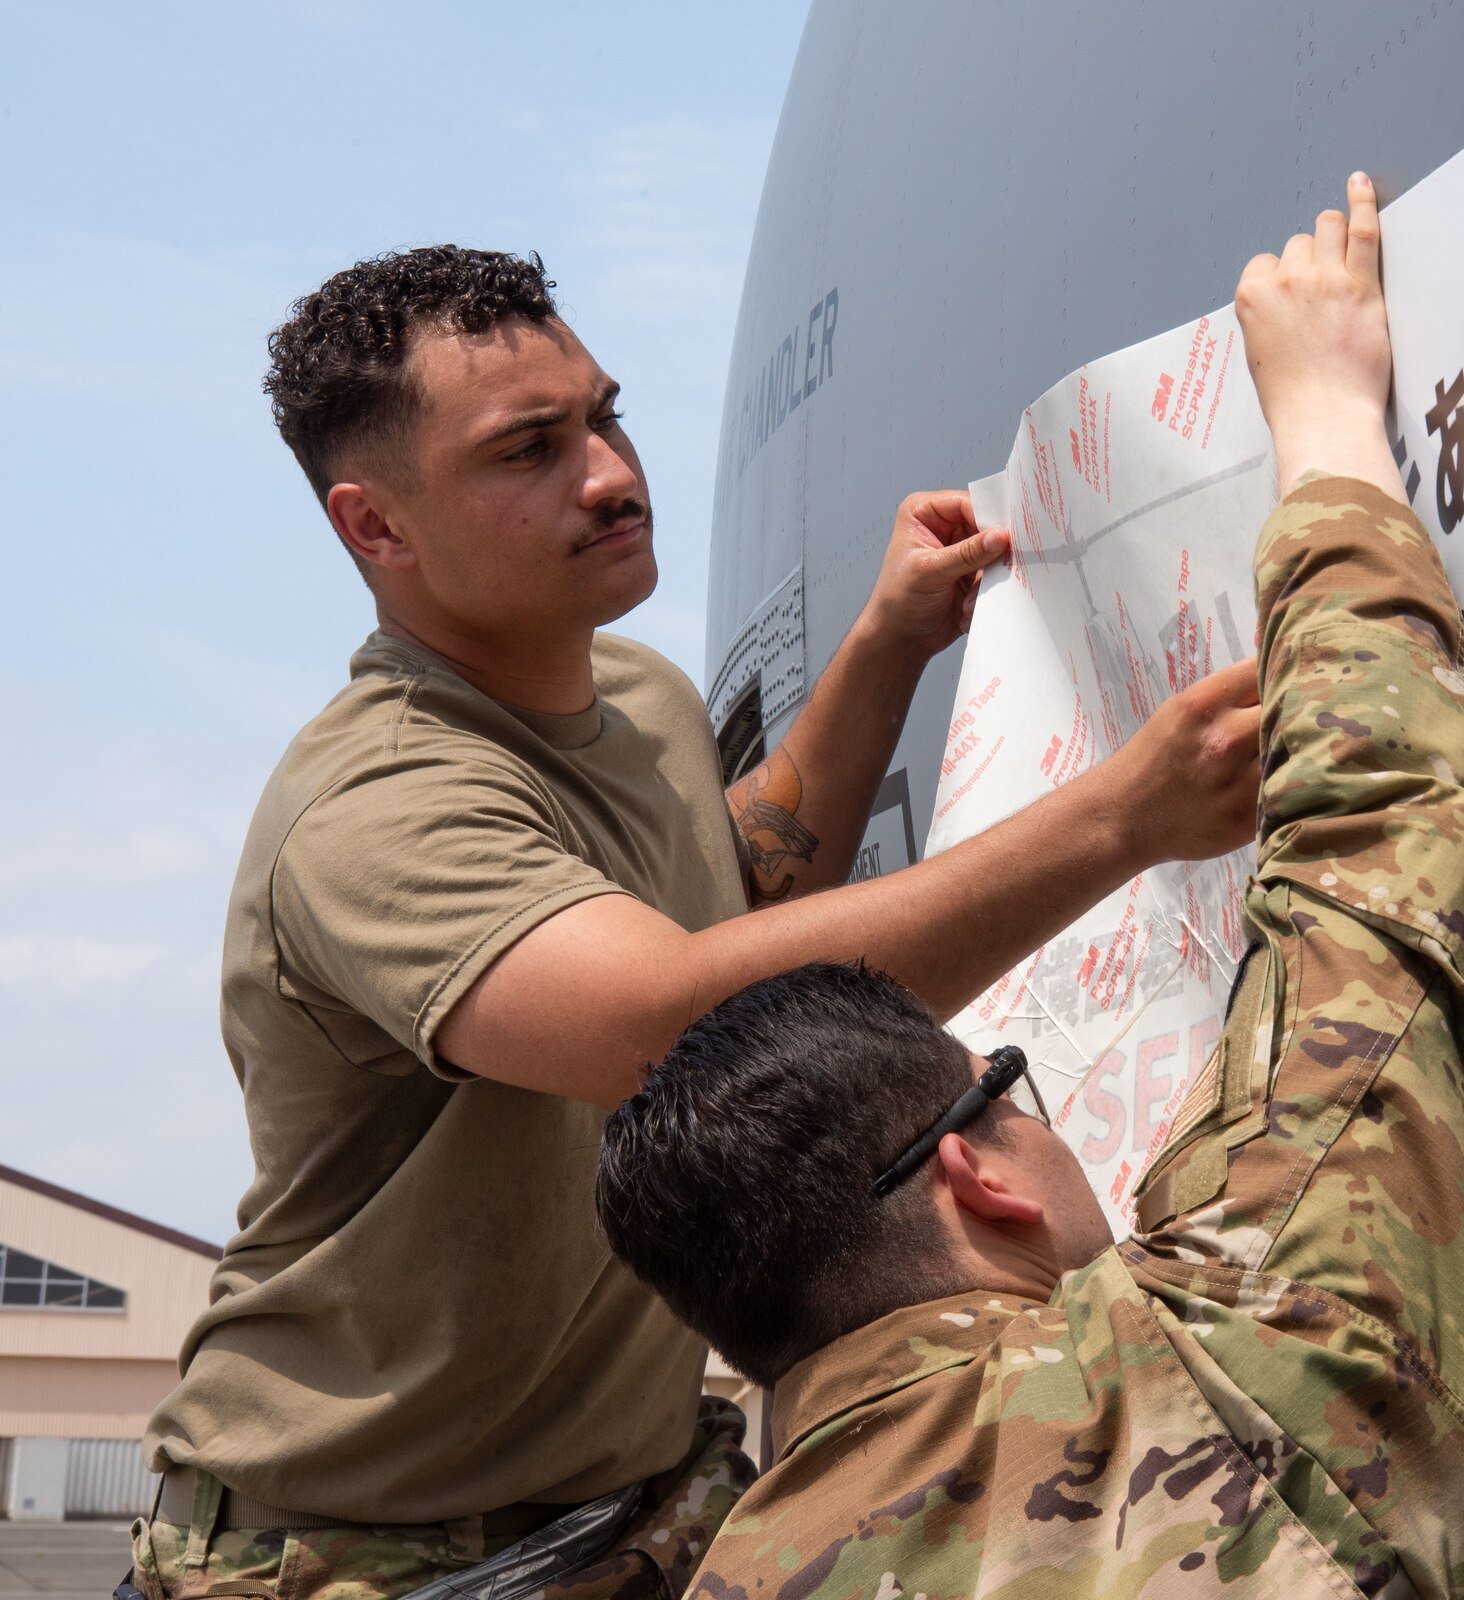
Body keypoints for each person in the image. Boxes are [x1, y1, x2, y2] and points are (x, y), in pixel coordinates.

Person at [135, 247, 1261, 1600]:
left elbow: (743, 891)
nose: (609, 473)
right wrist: (1121, 819)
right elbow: (670, 1026)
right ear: (376, 527)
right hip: (362, 1562)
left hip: (637, 1516)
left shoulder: (637, 694)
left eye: (604, 416)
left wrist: (889, 643)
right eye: (529, 451)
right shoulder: (378, 805)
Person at [597, 172, 1464, 1598]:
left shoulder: (734, 1570)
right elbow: (1377, 862)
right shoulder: (1227, 1362)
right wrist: (1333, 422)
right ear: (978, 1177)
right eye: (1009, 1082)